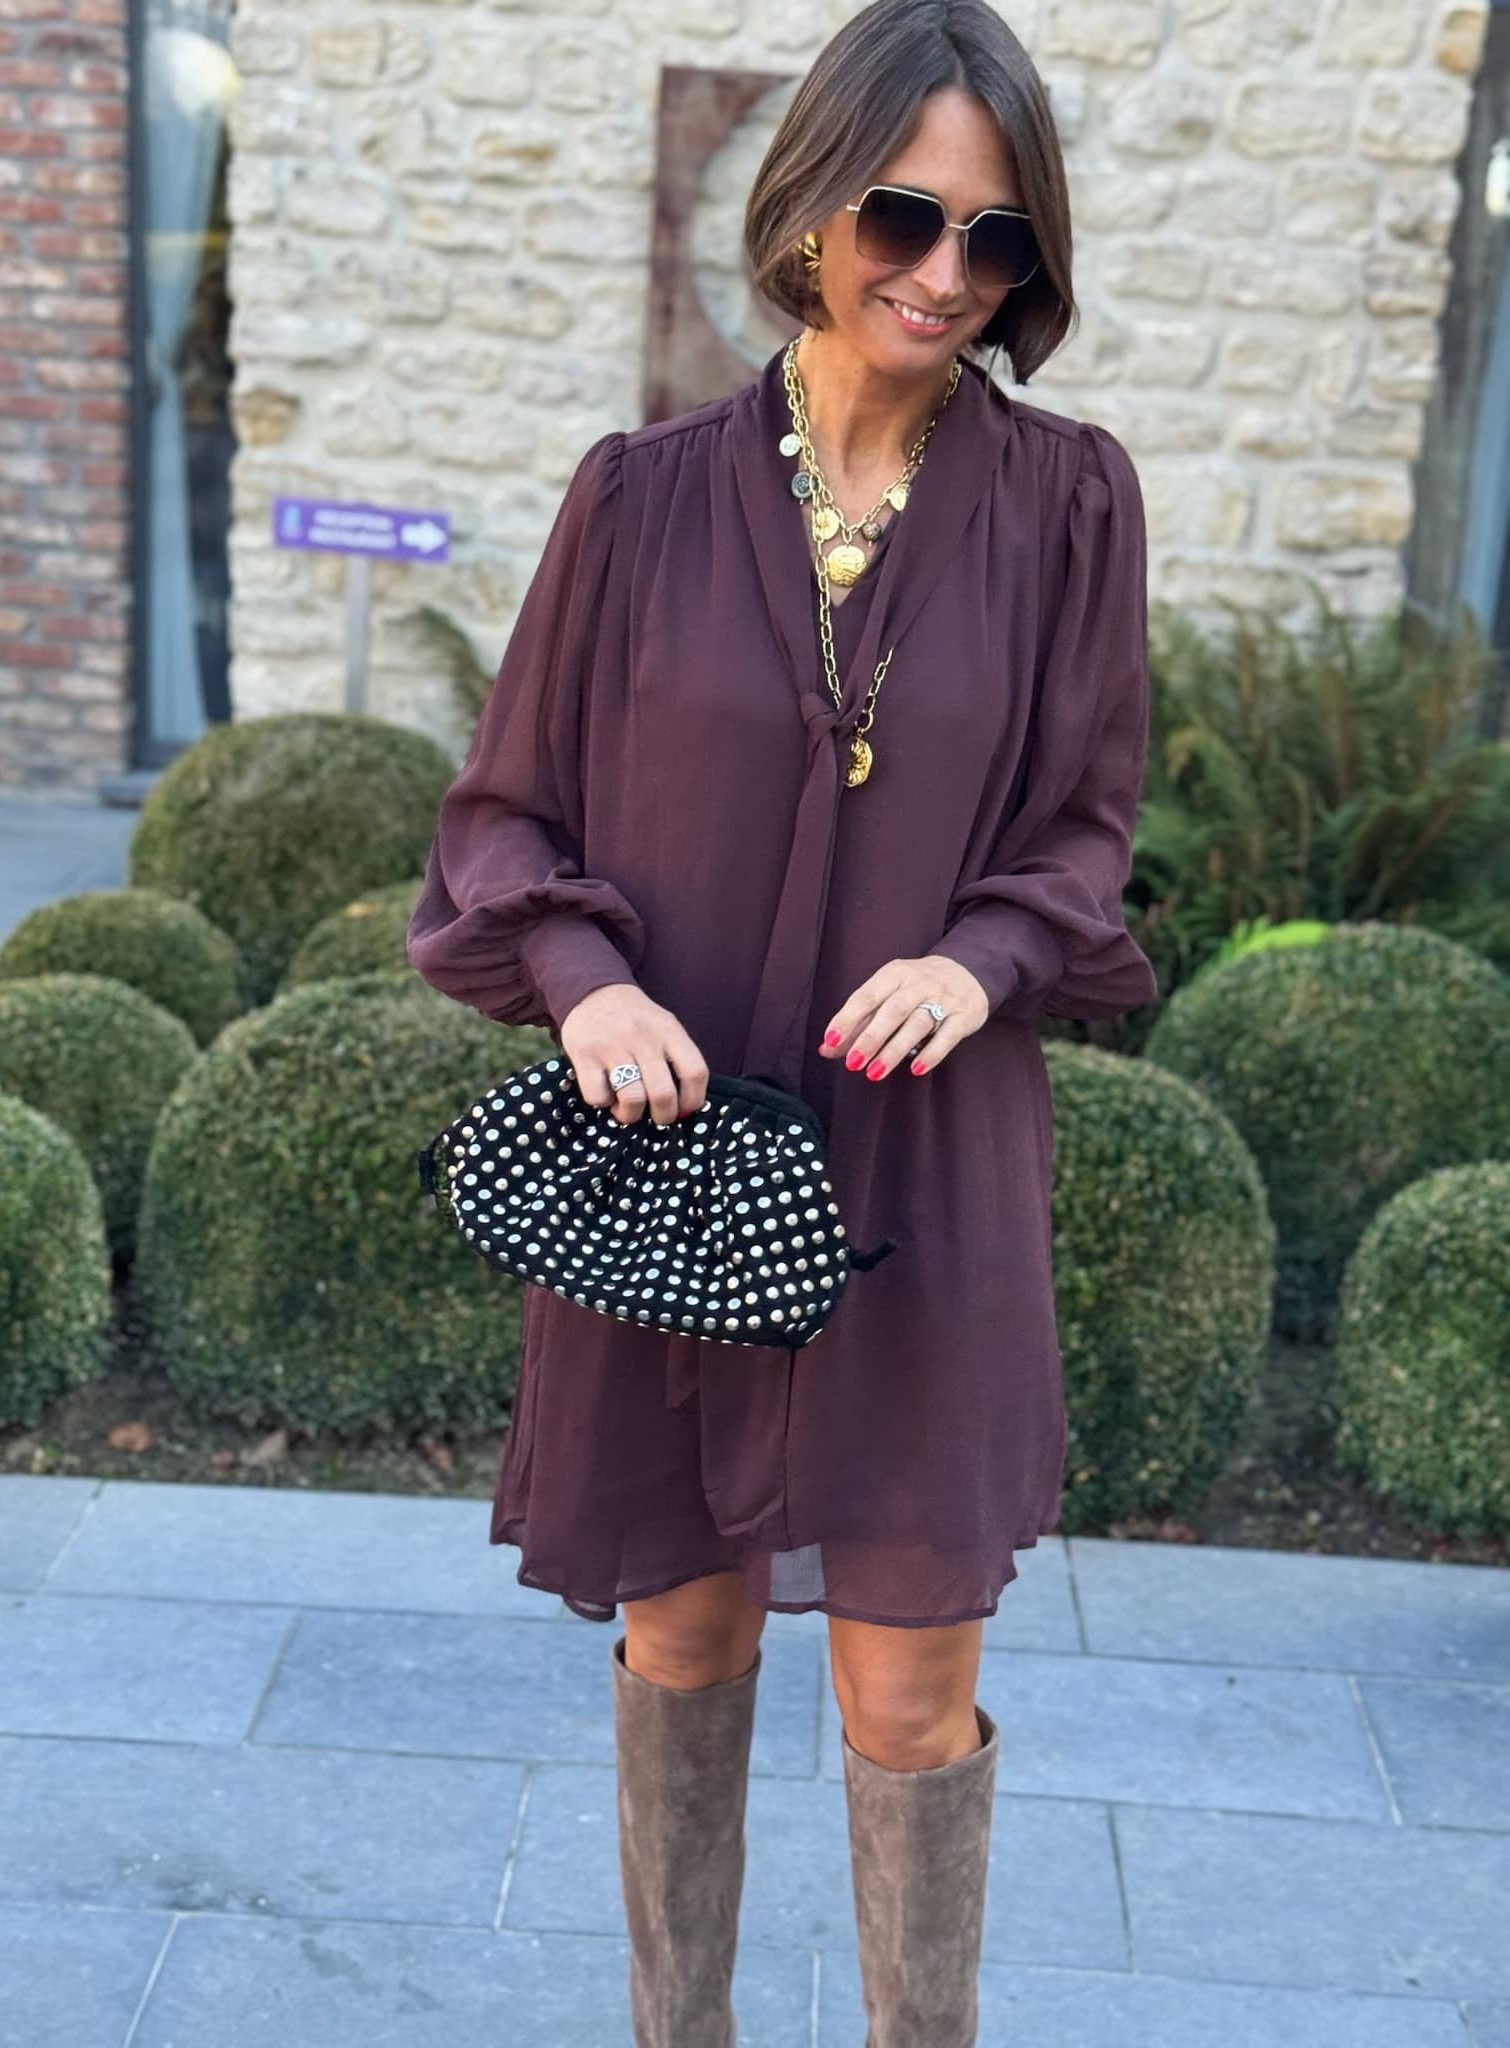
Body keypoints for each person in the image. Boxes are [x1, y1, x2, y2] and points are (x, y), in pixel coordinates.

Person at [405, 1, 1158, 2039]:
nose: (944, 272)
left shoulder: (1072, 506)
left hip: (926, 1176)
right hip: (673, 1170)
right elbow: (502, 817)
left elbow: (1086, 832)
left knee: (909, 1696)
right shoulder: (639, 500)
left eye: (997, 238)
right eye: (906, 216)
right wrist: (587, 986)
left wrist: (983, 955)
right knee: (682, 1635)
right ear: (813, 204)